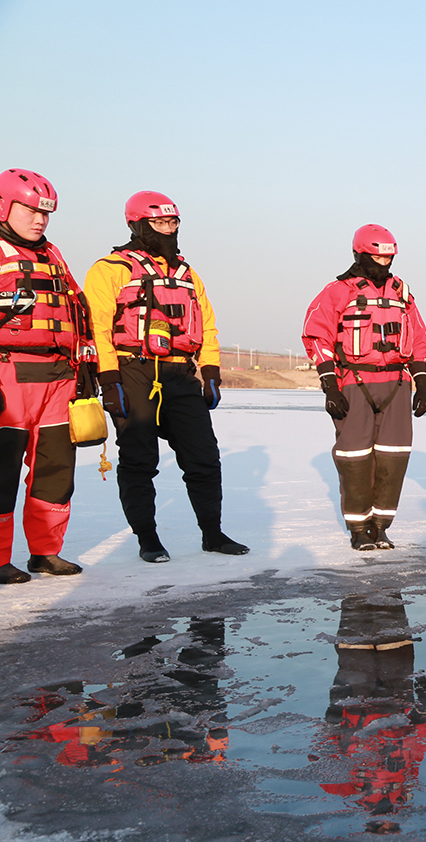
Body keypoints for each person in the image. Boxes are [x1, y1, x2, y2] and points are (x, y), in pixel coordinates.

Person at [83, 191, 246, 563]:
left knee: (204, 458)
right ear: (137, 225)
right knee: (140, 459)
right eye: (159, 223)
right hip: (132, 370)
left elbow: (207, 326)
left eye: (173, 223)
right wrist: (108, 381)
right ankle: (148, 539)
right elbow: (98, 328)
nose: (168, 230)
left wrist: (210, 372)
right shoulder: (110, 269)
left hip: (179, 373)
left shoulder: (188, 275)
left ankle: (213, 534)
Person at [303, 224, 426, 551]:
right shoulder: (337, 292)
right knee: (355, 456)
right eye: (376, 256)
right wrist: (329, 384)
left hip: (396, 383)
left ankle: (381, 526)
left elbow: (417, 338)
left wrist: (422, 382)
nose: (383, 263)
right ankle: (359, 527)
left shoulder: (402, 292)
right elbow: (316, 335)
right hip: (354, 382)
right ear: (360, 254)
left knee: (394, 456)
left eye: (388, 257)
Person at [0, 168, 95, 583]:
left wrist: (88, 366)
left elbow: (78, 310)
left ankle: (45, 553)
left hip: (60, 375)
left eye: (45, 213)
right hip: (9, 374)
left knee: (57, 468)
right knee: (1, 469)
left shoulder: (53, 255)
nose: (39, 220)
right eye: (31, 210)